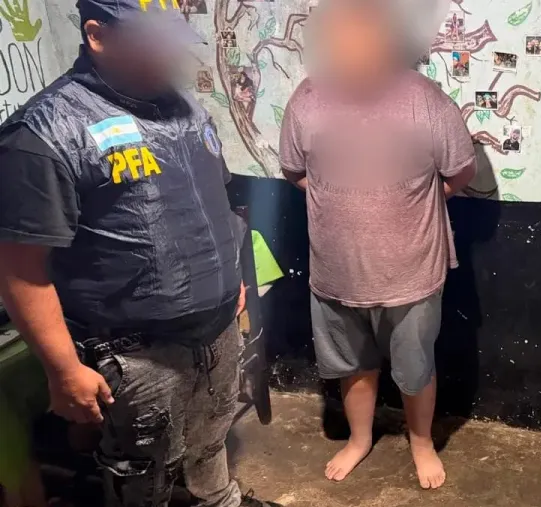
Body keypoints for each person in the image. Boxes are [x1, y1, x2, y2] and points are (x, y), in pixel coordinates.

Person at [0, 0, 282, 505]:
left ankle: (219, 499)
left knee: (211, 437)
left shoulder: (184, 107)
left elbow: (215, 203)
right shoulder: (44, 133)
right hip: (136, 354)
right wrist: (64, 370)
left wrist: (234, 279)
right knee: (143, 469)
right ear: (98, 35)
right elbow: (20, 270)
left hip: (217, 328)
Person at [280, 0, 476, 490]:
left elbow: (460, 172)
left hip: (412, 271)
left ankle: (421, 442)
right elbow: (295, 170)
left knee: (415, 368)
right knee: (352, 366)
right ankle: (359, 438)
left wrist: (404, 201)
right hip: (335, 272)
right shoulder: (306, 99)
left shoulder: (426, 100)